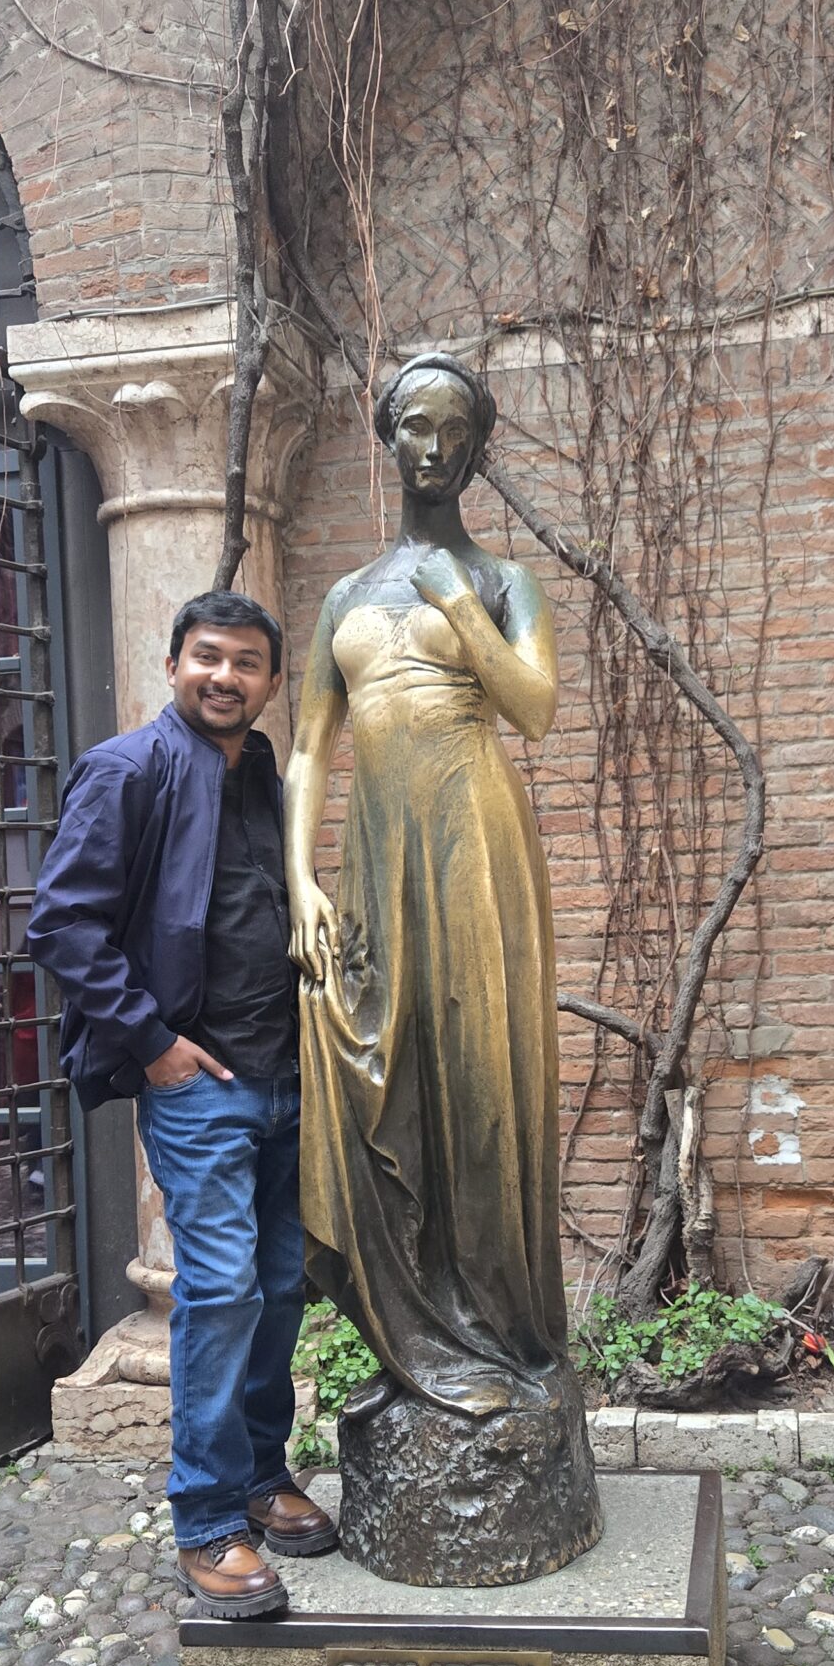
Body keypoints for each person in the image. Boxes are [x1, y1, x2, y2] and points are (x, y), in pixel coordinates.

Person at [26, 590, 333, 1618]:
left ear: (272, 681)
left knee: (280, 1287)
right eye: (207, 657)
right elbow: (62, 924)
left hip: (289, 1080)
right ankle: (205, 1522)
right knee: (222, 1291)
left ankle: (260, 1477)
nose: (224, 677)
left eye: (246, 662)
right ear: (172, 665)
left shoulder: (270, 779)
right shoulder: (128, 770)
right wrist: (153, 1046)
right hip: (201, 1090)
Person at [284, 352, 577, 1420]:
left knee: (481, 1075)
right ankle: (412, 1327)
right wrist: (301, 880)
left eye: (457, 431)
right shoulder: (344, 597)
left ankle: (506, 1331)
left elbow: (534, 709)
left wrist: (463, 610)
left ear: (479, 448)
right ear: (389, 435)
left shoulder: (505, 582)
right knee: (383, 1068)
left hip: (474, 843)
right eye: (416, 425)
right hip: (375, 855)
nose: (435, 448)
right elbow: (308, 750)